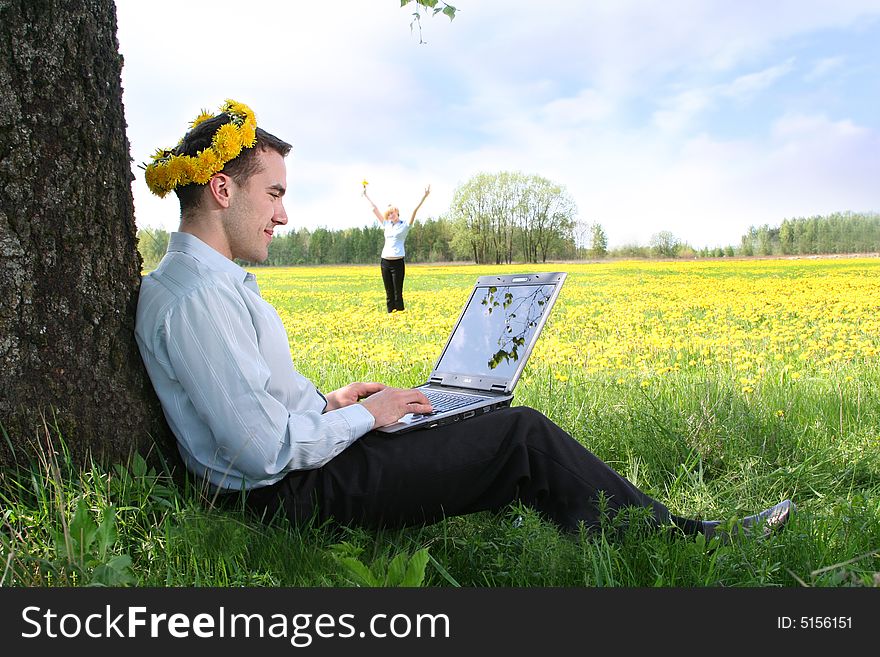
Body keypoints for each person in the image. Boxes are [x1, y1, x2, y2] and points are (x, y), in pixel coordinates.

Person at [135, 100, 793, 544]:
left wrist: (335, 401)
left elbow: (257, 411)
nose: (283, 216)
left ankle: (612, 521)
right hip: (291, 499)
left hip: (302, 473)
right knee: (519, 436)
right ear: (222, 190)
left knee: (472, 416)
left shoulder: (209, 285)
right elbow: (259, 452)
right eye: (274, 194)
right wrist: (366, 417)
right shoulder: (196, 297)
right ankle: (687, 542)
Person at [363, 183, 430, 312]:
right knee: (389, 294)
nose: (390, 216)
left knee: (397, 293)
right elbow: (374, 208)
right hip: (385, 262)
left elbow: (414, 211)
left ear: (397, 212)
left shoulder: (405, 225)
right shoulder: (386, 224)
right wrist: (366, 195)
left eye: (392, 213)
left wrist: (424, 196)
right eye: (388, 214)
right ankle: (390, 317)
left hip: (398, 262)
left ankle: (399, 319)